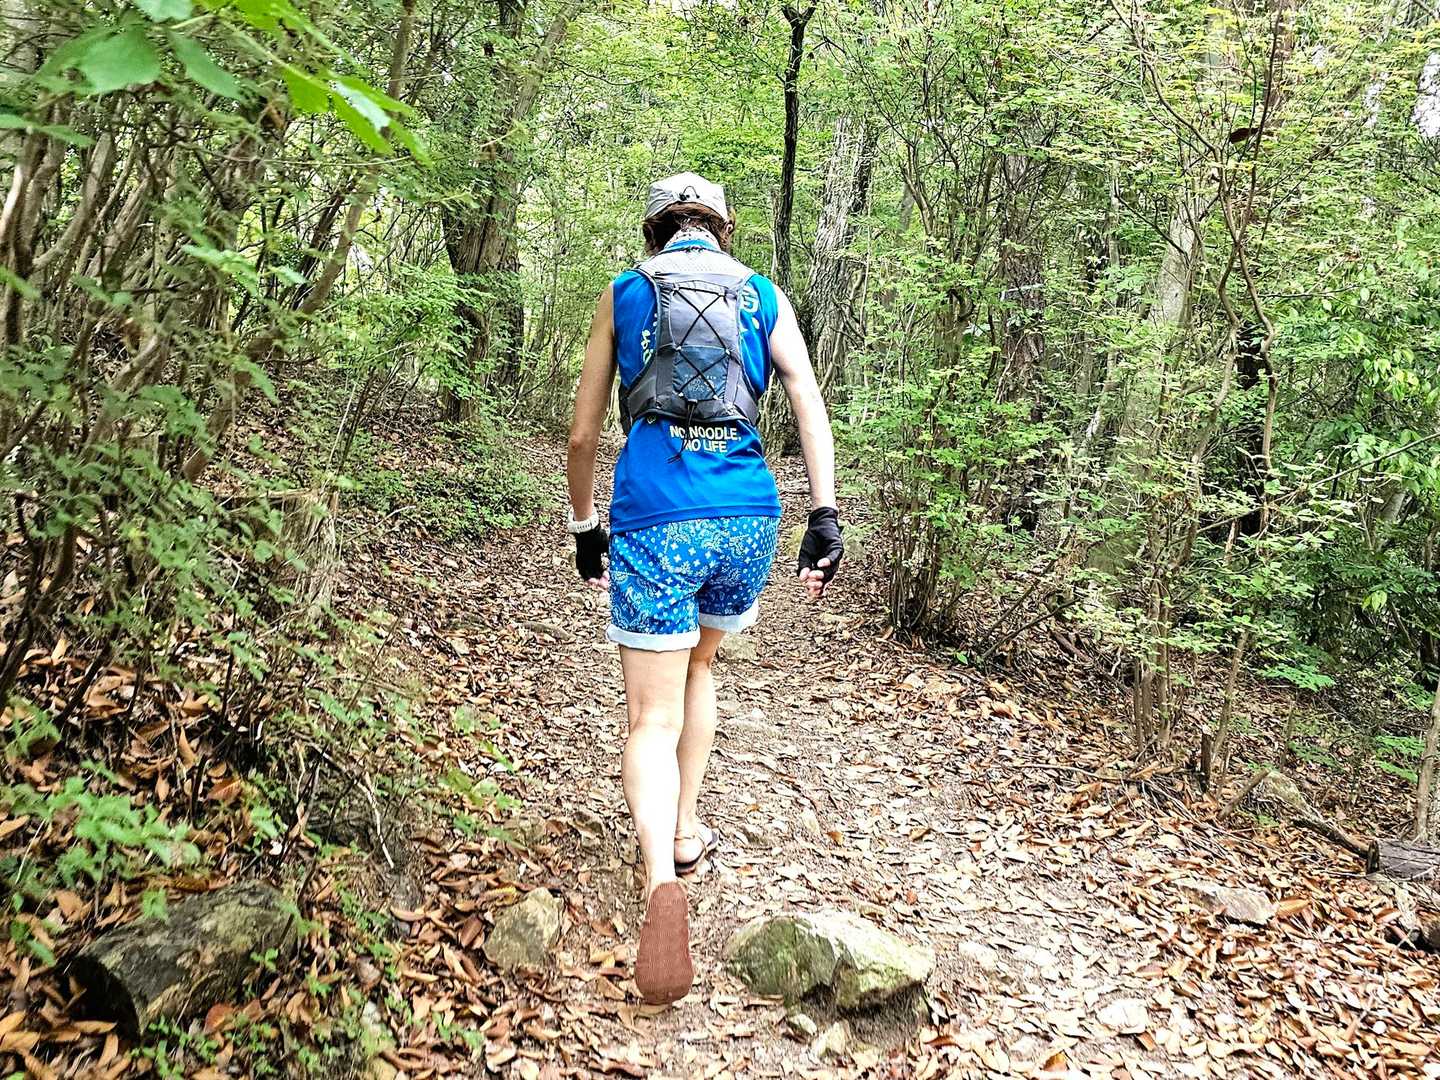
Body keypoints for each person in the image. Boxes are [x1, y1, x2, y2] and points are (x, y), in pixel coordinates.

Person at [565, 172, 843, 1006]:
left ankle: (660, 877)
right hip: (747, 516)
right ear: (723, 228)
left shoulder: (624, 292)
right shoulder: (762, 293)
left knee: (650, 717)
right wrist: (824, 514)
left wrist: (585, 524)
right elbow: (806, 395)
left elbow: (582, 434)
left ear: (655, 230)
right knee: (701, 666)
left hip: (657, 511)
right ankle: (686, 830)